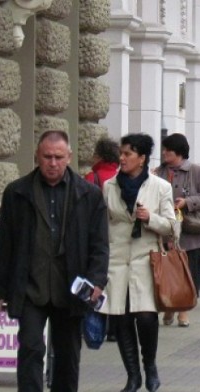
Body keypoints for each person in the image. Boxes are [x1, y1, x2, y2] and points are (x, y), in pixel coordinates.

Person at [0, 130, 109, 392]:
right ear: (37, 157)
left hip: (71, 290)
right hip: (30, 288)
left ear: (69, 157)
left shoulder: (89, 195)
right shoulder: (17, 193)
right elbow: (6, 244)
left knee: (68, 358)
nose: (53, 163)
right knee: (31, 350)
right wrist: (0, 288)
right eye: (47, 157)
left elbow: (100, 245)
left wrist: (97, 281)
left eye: (59, 157)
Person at [101, 133, 175, 392]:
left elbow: (172, 227)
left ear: (142, 158)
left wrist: (150, 218)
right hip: (117, 261)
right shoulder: (110, 186)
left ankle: (150, 366)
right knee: (121, 319)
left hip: (147, 261)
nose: (122, 158)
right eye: (121, 153)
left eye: (128, 154)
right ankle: (132, 376)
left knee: (145, 316)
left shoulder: (160, 187)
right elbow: (104, 225)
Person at [155, 133, 200, 327]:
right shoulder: (158, 172)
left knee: (189, 273)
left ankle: (183, 311)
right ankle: (167, 306)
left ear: (179, 153)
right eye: (163, 150)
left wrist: (187, 202)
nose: (164, 153)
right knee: (168, 271)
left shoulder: (197, 171)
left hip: (190, 232)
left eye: (168, 150)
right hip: (166, 231)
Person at [85, 137, 120, 342]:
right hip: (118, 239)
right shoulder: (121, 176)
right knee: (115, 283)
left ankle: (97, 325)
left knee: (98, 280)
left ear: (99, 155)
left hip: (97, 237)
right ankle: (115, 329)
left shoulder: (92, 177)